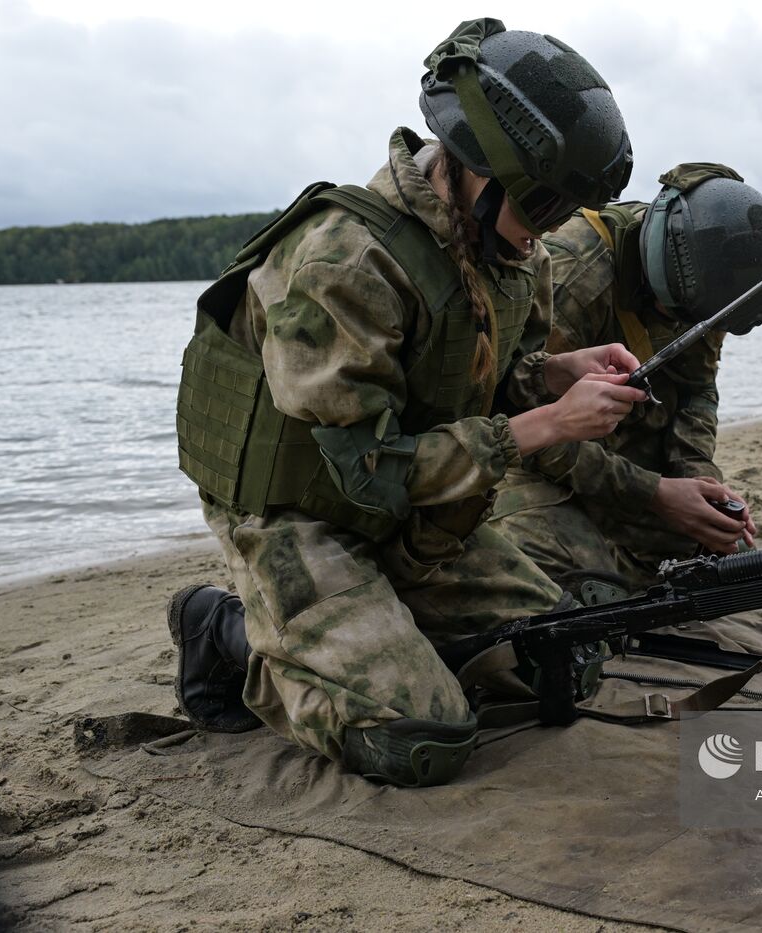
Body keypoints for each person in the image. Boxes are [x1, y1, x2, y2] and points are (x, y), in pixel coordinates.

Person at [167, 18, 643, 788]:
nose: (546, 233)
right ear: (477, 168)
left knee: (565, 659)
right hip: (304, 512)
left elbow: (485, 378)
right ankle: (222, 628)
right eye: (543, 205)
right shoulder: (348, 258)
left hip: (415, 512)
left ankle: (379, 630)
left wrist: (555, 374)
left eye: (562, 213)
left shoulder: (512, 252)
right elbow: (371, 469)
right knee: (420, 737)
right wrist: (550, 423)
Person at [488, 163, 762, 601]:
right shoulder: (573, 276)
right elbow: (518, 425)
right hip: (527, 449)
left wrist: (698, 479)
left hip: (612, 443)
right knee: (587, 581)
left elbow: (697, 389)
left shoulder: (706, 283)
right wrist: (654, 493)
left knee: (717, 549)